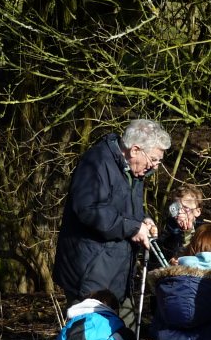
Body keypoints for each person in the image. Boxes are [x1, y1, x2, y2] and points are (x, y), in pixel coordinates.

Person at [52, 119, 172, 322]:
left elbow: (123, 209)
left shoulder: (134, 170)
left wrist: (144, 220)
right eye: (153, 159)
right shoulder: (96, 163)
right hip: (90, 272)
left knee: (124, 334)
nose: (155, 167)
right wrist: (134, 227)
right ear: (135, 150)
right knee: (91, 339)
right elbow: (89, 210)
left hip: (116, 270)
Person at [155, 183, 204, 259]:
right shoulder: (168, 230)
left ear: (197, 211)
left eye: (185, 208)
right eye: (176, 208)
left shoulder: (204, 232)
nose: (180, 212)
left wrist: (187, 232)